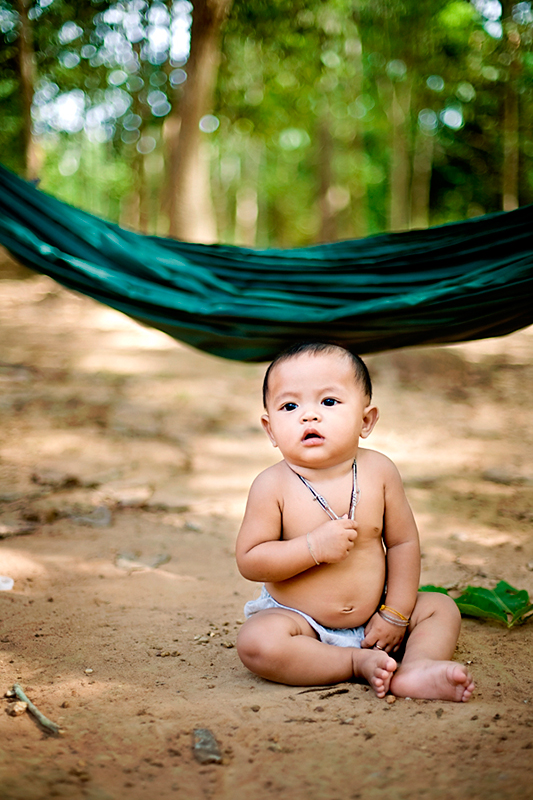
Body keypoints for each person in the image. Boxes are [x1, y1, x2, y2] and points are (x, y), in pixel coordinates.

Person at [235, 342, 475, 701]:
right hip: (301, 623)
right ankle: (353, 663)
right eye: (290, 406)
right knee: (256, 642)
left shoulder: (380, 472)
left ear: (366, 420)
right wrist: (311, 548)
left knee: (440, 608)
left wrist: (395, 613)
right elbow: (251, 560)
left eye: (328, 402)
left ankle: (416, 668)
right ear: (270, 429)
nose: (309, 416)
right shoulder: (272, 486)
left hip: (377, 615)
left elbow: (403, 544)